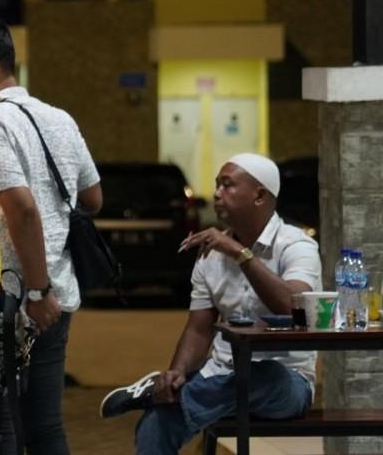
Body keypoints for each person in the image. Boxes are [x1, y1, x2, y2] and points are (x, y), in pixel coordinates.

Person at [0, 15, 103, 455]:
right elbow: (93, 198)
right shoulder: (60, 119)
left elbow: (21, 207)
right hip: (58, 298)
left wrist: (36, 291)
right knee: (45, 427)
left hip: (12, 302)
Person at [99, 153, 320, 455]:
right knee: (156, 423)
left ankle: (168, 397)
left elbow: (291, 306)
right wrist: (176, 373)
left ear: (259, 195)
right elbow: (199, 329)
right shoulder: (210, 255)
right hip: (219, 375)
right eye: (217, 185)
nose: (217, 193)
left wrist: (241, 254)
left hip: (286, 383)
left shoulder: (297, 246)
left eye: (228, 186)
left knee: (265, 375)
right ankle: (169, 396)